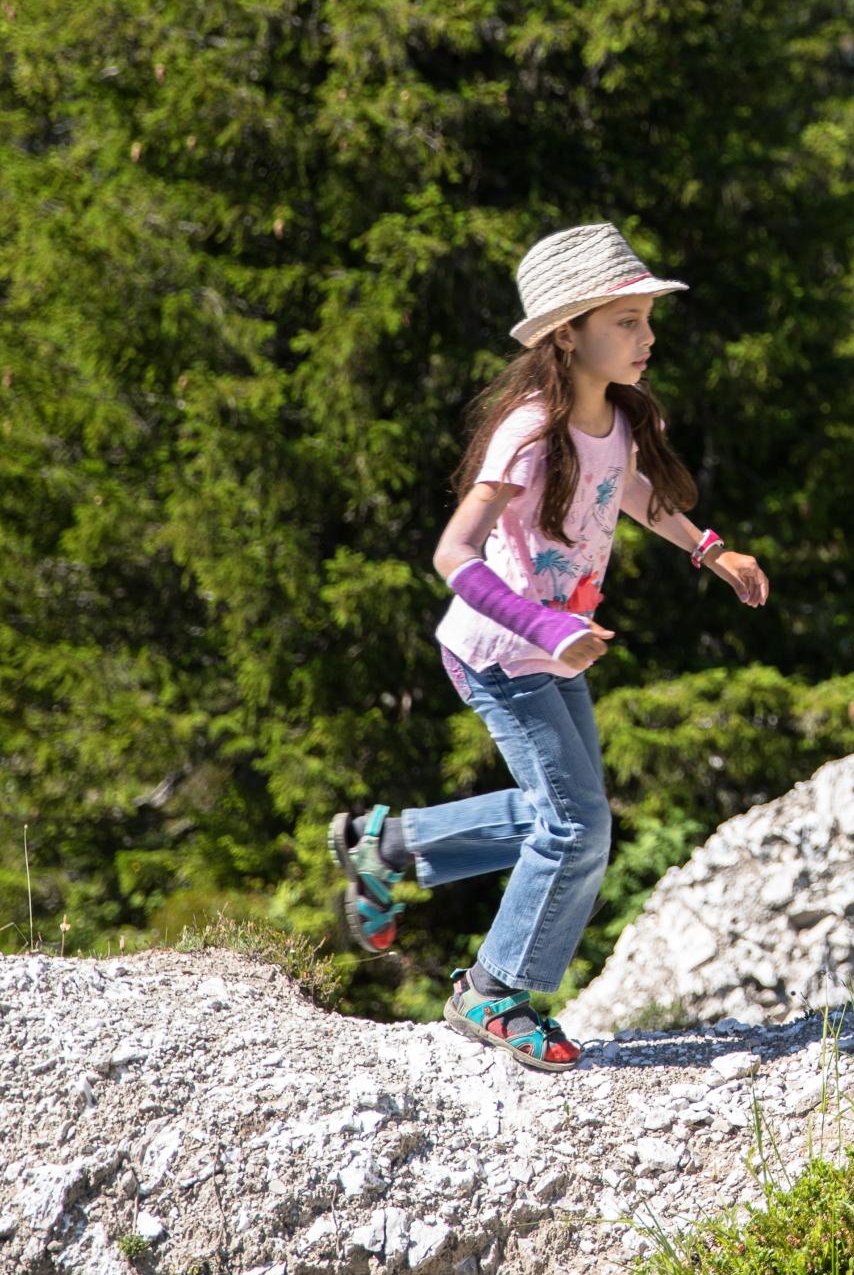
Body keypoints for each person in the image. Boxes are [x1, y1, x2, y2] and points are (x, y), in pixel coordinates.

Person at [326, 223, 770, 1070]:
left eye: (646, 319)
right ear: (569, 332)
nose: (647, 338)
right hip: (500, 650)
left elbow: (629, 493)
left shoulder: (616, 417)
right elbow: (453, 554)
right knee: (579, 825)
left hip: (548, 650)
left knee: (558, 818)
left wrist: (712, 551)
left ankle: (386, 847)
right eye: (627, 321)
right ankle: (494, 992)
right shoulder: (527, 432)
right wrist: (546, 626)